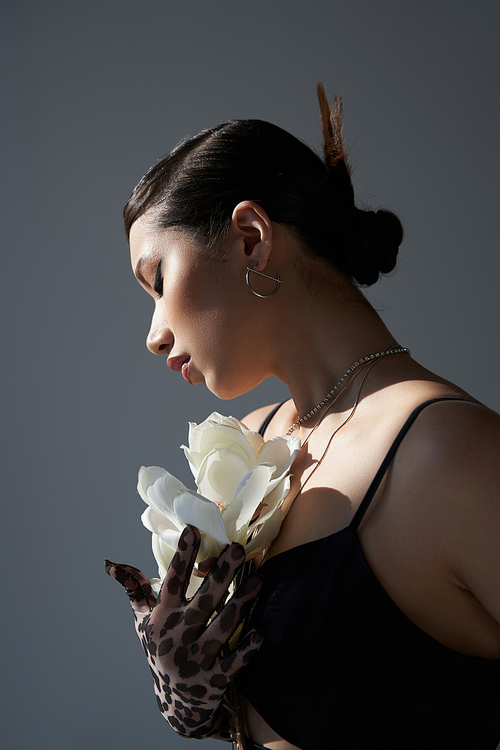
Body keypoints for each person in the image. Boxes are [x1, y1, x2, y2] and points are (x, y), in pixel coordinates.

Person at [106, 85, 500, 750]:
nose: (152, 334)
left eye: (159, 280)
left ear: (252, 239)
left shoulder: (449, 454)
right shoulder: (254, 439)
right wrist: (196, 693)